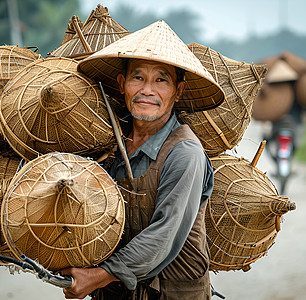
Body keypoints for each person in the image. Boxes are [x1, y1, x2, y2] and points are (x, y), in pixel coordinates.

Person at [61, 20, 225, 300]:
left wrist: (97, 276)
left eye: (161, 80)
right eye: (138, 78)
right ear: (122, 84)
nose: (147, 90)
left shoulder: (185, 153)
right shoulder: (107, 145)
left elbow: (163, 234)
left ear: (178, 91)